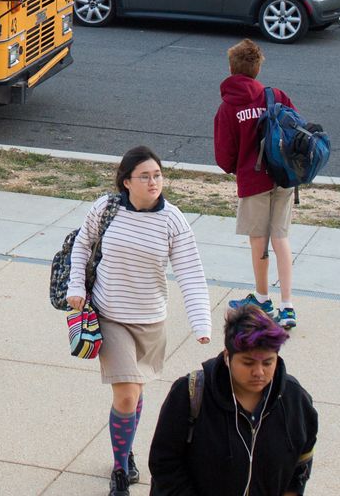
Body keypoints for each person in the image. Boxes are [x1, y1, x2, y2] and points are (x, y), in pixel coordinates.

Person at [65, 146, 211, 496]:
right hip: (110, 316)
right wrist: (75, 287)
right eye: (144, 176)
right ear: (126, 181)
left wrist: (201, 323)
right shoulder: (105, 209)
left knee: (134, 391)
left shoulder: (172, 220)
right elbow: (82, 246)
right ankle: (120, 471)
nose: (153, 182)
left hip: (151, 321)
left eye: (158, 175)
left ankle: (124, 447)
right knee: (128, 394)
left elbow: (191, 273)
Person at [146, 304, 318, 496]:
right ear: (228, 356)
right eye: (248, 362)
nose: (259, 372)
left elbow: (302, 460)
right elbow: (164, 464)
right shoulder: (189, 394)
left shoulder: (295, 399)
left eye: (268, 362)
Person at [212, 39, 299, 329]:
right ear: (257, 69)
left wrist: (237, 166)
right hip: (283, 176)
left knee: (258, 241)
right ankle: (288, 306)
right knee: (281, 239)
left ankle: (262, 297)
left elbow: (225, 156)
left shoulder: (228, 107)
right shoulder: (275, 95)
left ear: (231, 68)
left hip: (253, 179)